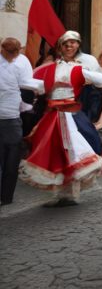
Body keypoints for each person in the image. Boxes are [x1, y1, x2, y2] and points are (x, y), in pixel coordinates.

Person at [19, 31, 102, 206]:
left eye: (73, 43)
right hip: (52, 115)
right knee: (55, 152)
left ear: (78, 46)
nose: (69, 47)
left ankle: (71, 194)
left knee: (72, 150)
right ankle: (60, 194)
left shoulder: (80, 68)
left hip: (71, 114)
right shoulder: (50, 67)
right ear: (60, 47)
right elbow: (33, 82)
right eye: (66, 44)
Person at [0, 38, 44, 206]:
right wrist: (45, 86)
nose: (15, 56)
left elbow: (23, 84)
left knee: (11, 158)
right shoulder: (19, 62)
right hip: (10, 117)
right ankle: (4, 196)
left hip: (12, 115)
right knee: (9, 157)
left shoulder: (20, 61)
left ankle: (6, 196)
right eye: (13, 53)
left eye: (16, 53)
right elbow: (26, 83)